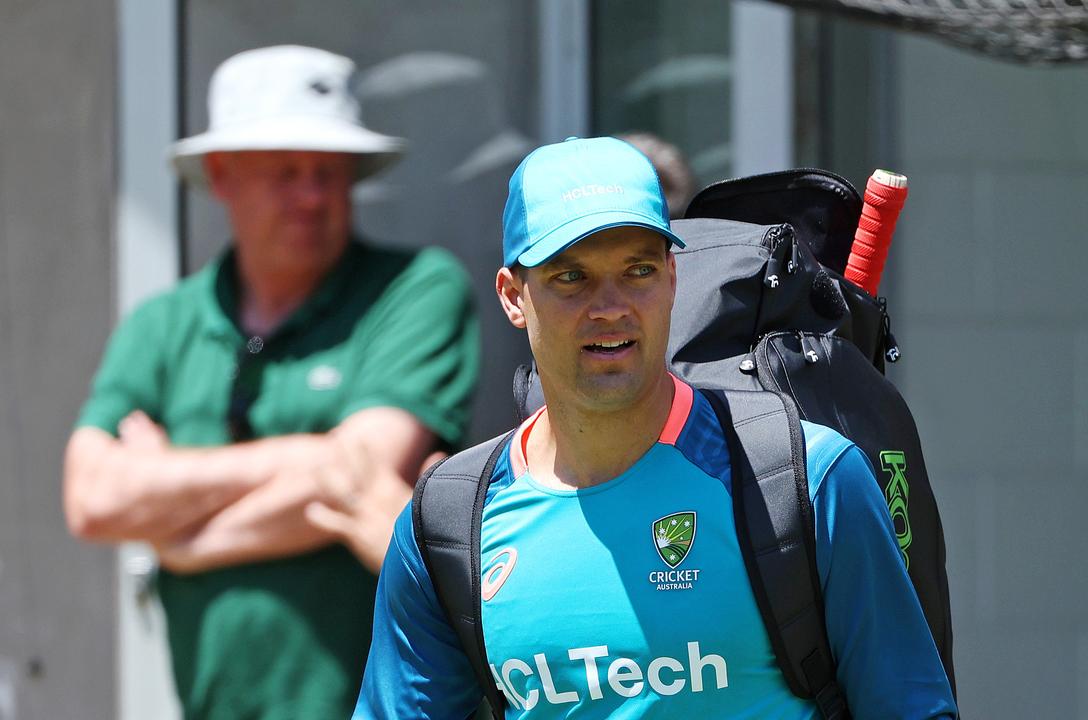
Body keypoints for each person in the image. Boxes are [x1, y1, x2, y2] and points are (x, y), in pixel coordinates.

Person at [353, 136, 956, 718]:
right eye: (571, 277)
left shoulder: (807, 479)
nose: (610, 305)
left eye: (637, 271)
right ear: (514, 297)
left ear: (672, 278)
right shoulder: (450, 522)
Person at [62, 45, 479, 720]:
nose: (312, 195)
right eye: (287, 171)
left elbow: (364, 472)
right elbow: (90, 498)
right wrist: (312, 459)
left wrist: (186, 534)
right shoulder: (160, 325)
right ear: (222, 175)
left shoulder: (416, 290)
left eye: (330, 172)